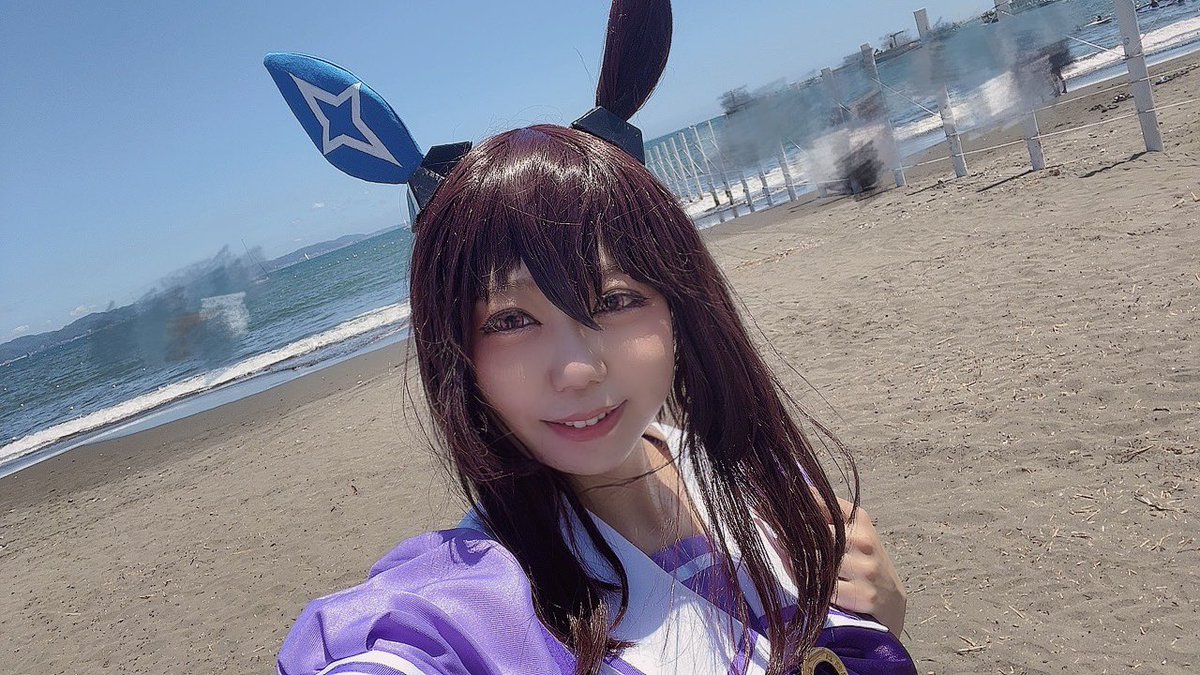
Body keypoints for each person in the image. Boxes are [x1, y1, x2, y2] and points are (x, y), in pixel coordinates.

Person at [268, 1, 916, 673]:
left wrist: (876, 630)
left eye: (614, 300)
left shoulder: (757, 478)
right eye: (510, 319)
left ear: (678, 305)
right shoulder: (479, 599)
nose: (577, 369)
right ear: (458, 354)